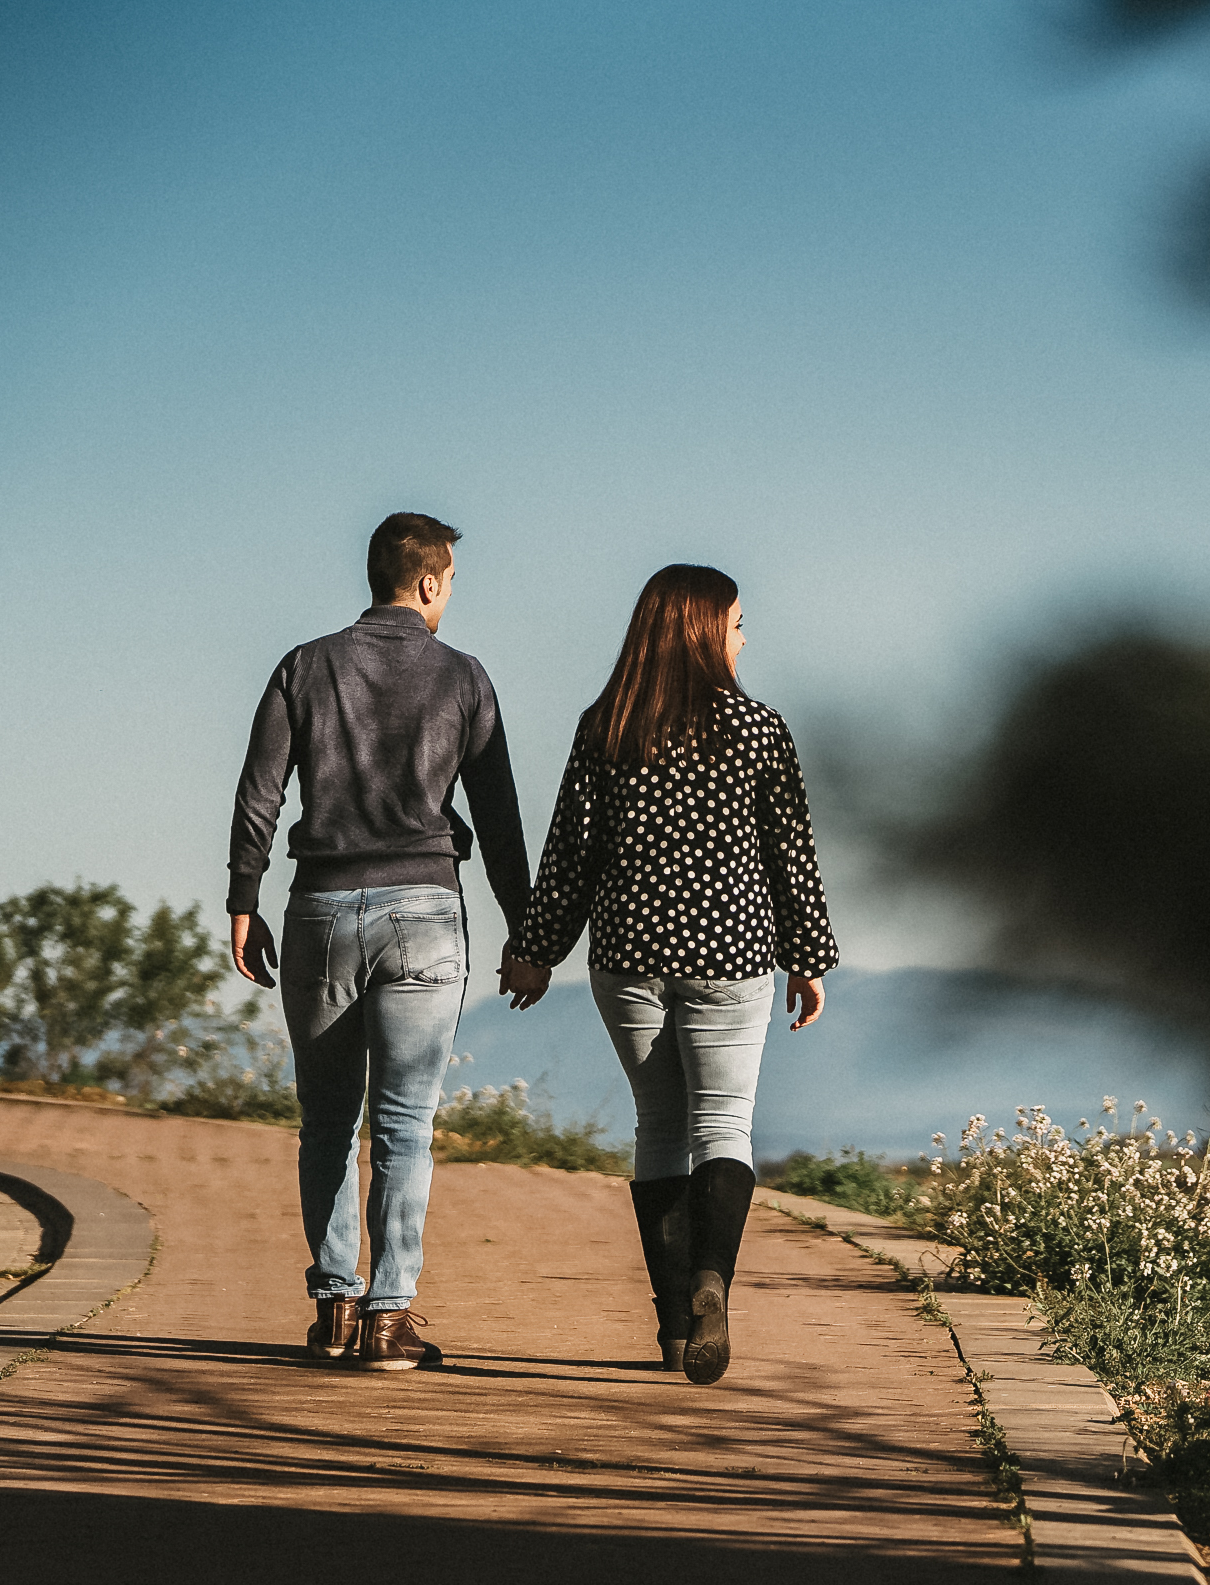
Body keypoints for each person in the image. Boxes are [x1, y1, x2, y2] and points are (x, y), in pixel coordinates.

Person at [502, 564, 837, 1386]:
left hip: (629, 952)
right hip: (730, 951)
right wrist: (810, 956)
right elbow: (790, 855)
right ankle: (713, 1279)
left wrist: (537, 948)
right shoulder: (759, 729)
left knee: (659, 1128)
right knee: (724, 1123)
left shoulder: (607, 725)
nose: (744, 634)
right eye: (737, 619)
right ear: (701, 628)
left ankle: (671, 1328)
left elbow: (572, 853)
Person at [227, 512, 534, 1371]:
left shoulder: (304, 665)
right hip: (426, 916)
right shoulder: (465, 678)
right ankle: (390, 1318)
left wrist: (242, 899)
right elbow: (501, 821)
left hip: (321, 909)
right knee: (406, 1123)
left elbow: (260, 795)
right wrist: (529, 931)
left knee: (326, 1118)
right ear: (431, 583)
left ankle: (334, 1306)